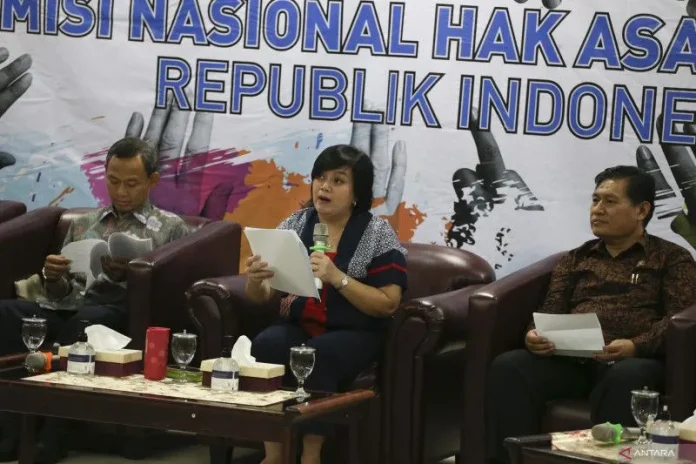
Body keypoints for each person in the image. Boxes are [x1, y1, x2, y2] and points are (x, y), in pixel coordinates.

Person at [487, 165, 696, 464]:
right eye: (595, 200)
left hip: (633, 360)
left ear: (641, 210)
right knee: (509, 366)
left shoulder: (672, 259)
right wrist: (534, 334)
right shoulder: (576, 258)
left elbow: (679, 320)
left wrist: (636, 345)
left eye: (610, 201)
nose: (597, 210)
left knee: (628, 375)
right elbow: (551, 308)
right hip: (574, 361)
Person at [0, 136, 190, 463]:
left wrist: (129, 276)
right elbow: (64, 292)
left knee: (84, 324)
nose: (121, 191)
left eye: (131, 183)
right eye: (113, 181)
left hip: (118, 314)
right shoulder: (84, 224)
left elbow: (173, 290)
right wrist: (53, 278)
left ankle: (52, 435)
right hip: (67, 306)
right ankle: (10, 431)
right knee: (7, 313)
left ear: (152, 181)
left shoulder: (171, 228)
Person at [245, 144, 407, 464]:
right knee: (265, 345)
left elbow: (389, 303)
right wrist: (254, 280)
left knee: (316, 355)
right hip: (299, 324)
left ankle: (311, 455)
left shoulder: (377, 233)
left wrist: (337, 277)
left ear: (357, 193)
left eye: (338, 180)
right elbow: (261, 297)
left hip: (355, 331)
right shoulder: (295, 224)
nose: (325, 187)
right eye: (320, 177)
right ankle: (274, 454)